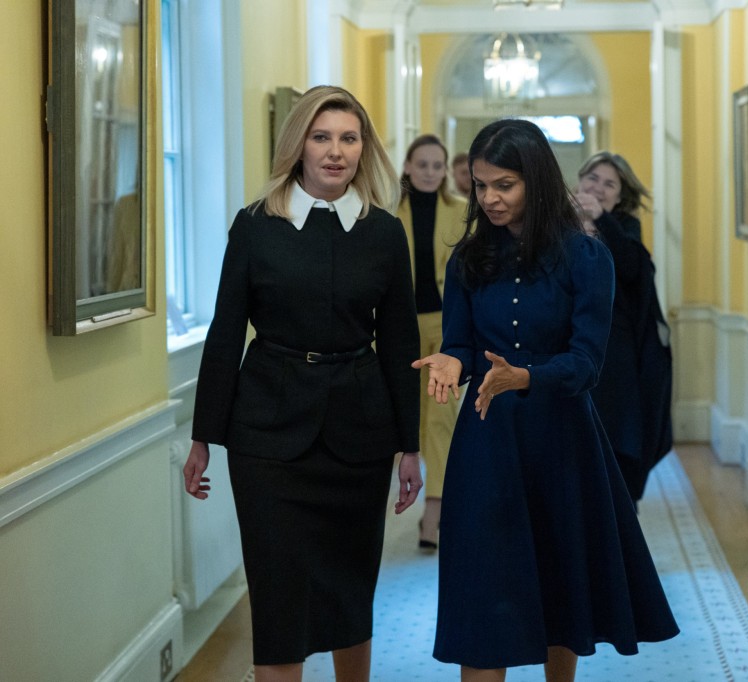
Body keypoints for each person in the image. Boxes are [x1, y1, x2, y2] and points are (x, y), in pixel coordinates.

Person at [414, 120, 679, 682]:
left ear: (535, 180)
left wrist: (526, 377)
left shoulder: (587, 257)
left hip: (563, 447)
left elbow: (586, 364)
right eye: (481, 185)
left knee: (563, 595)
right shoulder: (466, 260)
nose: (489, 198)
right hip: (486, 445)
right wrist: (453, 361)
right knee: (483, 602)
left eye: (504, 185)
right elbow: (461, 341)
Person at [182, 85, 422, 682]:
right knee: (279, 596)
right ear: (298, 146)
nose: (335, 152)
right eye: (321, 137)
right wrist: (202, 436)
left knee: (349, 589)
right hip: (267, 435)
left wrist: (409, 445)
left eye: (348, 138)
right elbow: (225, 333)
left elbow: (398, 344)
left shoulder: (384, 233)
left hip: (358, 436)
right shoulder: (256, 226)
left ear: (364, 149)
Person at [574, 151, 674, 505]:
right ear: (580, 180)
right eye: (593, 179)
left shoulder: (625, 226)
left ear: (620, 195)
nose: (598, 188)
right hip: (568, 344)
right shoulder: (559, 220)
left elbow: (631, 267)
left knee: (616, 439)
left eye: (609, 184)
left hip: (616, 353)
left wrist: (601, 220)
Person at [395, 134, 466, 551]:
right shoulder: (386, 213)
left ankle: (433, 517)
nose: (429, 172)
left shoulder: (459, 213)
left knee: (441, 417)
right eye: (421, 164)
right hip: (397, 329)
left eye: (437, 165)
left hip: (444, 326)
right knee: (409, 420)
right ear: (407, 166)